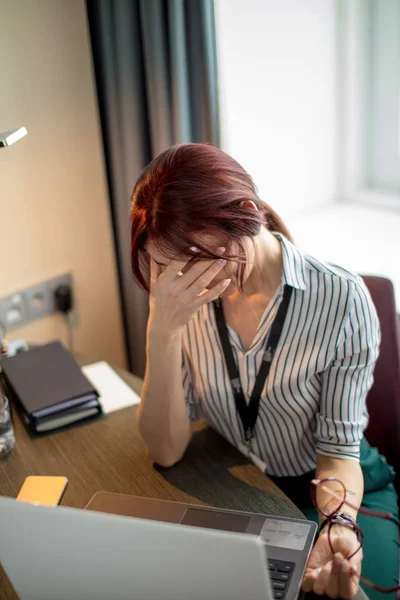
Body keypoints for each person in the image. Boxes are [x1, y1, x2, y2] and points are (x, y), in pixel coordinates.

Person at [130, 143, 399, 600]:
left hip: (332, 487)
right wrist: (162, 329)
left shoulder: (340, 299)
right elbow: (166, 450)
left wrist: (338, 526)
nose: (189, 282)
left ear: (247, 214)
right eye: (170, 267)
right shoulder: (178, 297)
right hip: (239, 488)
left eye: (201, 259)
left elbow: (337, 452)